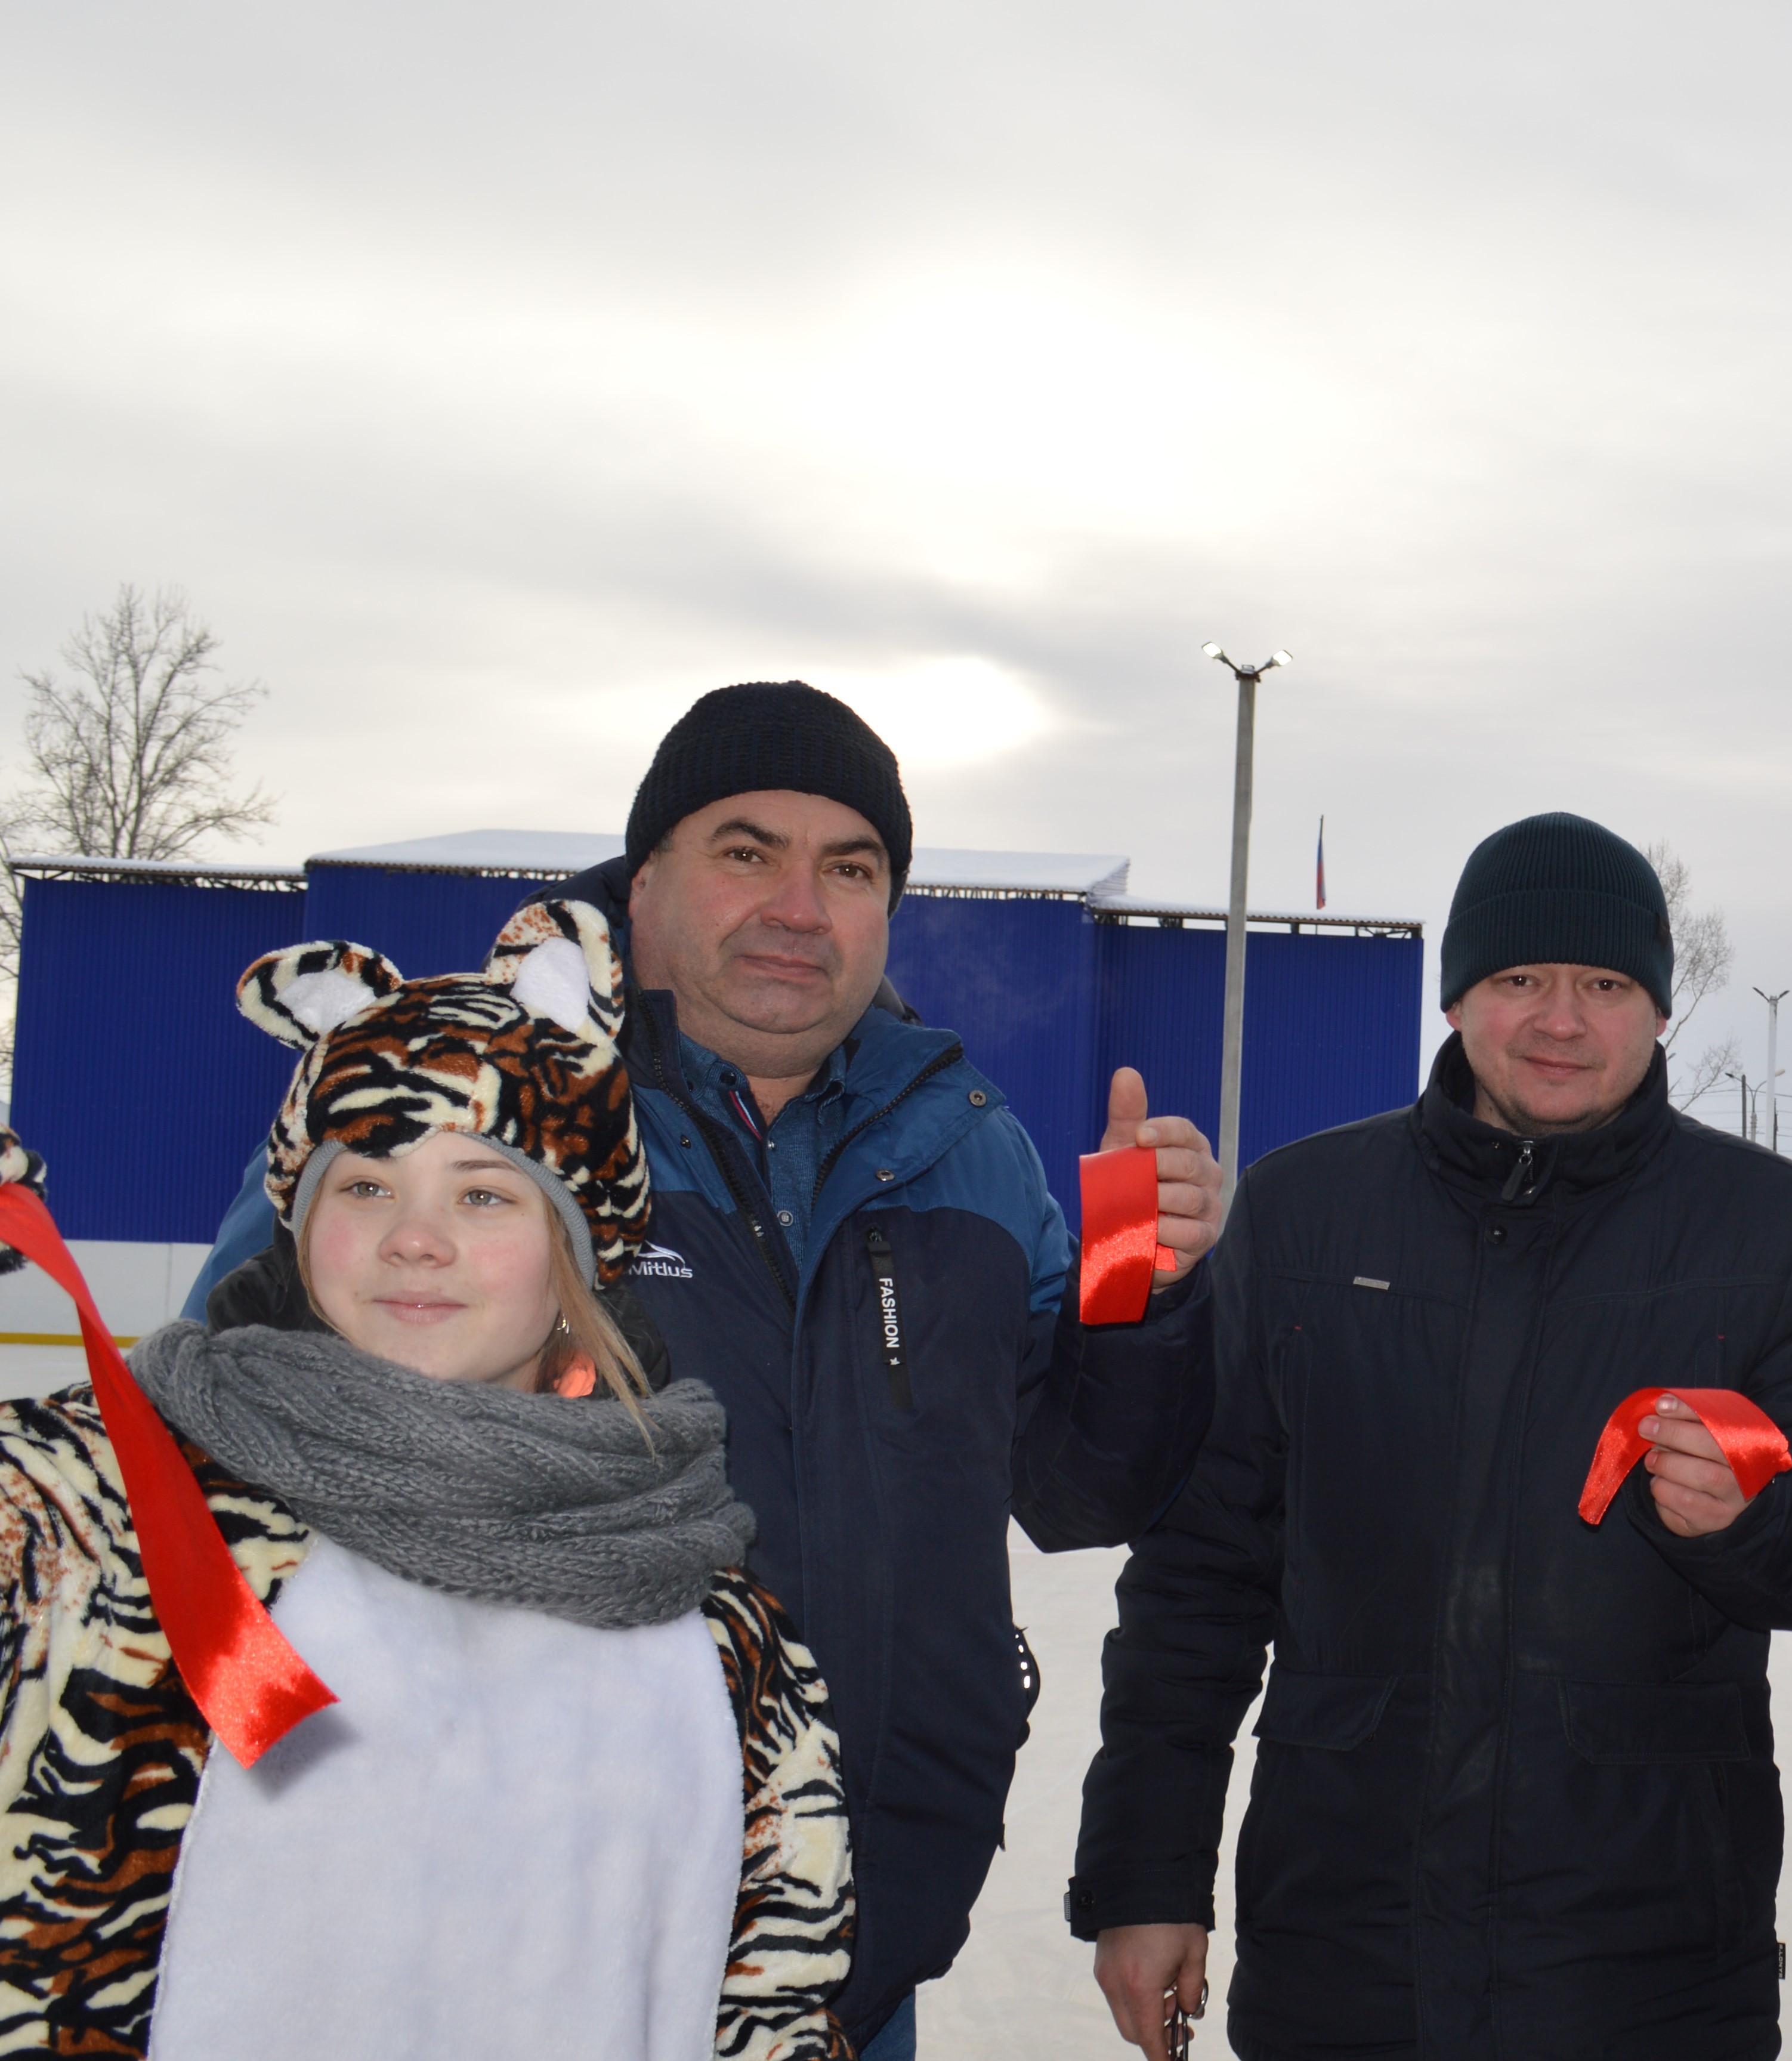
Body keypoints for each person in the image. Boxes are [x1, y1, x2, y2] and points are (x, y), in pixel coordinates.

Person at [184, 682, 1226, 2056]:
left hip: (850, 1951)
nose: (801, 904)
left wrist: (1142, 1296)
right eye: (747, 850)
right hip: (494, 1961)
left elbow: (1081, 1486)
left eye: (849, 868)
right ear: (647, 876)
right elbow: (200, 1483)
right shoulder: (471, 1089)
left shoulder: (973, 1148)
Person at [1070, 812, 1792, 2061]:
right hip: (1347, 1939)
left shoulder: (1769, 1227)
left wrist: (1756, 1517)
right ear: (1458, 998)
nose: (1560, 1018)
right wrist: (1146, 1873)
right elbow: (1197, 1574)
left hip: (1651, 1951)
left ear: (1660, 1009)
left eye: (1604, 984)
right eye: (1519, 978)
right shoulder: (1305, 1212)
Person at [0, 900, 848, 2058]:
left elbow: (771, 1998)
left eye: (484, 1191)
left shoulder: (709, 1611)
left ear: (577, 1254)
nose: (414, 1235)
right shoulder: (85, 1502)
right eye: (364, 1185)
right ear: (297, 1226)